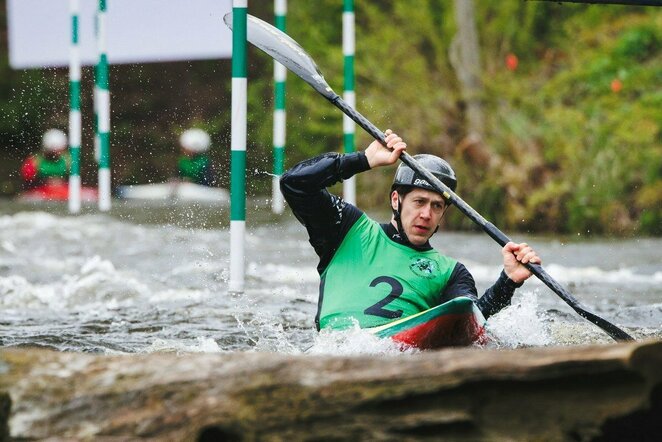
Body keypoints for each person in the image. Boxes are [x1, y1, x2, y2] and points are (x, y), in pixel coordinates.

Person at [280, 130, 541, 331]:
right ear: (396, 200)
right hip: (333, 352)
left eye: (437, 206)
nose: (426, 214)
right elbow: (295, 184)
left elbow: (469, 324)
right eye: (419, 202)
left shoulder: (451, 273)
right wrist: (363, 160)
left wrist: (508, 282)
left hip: (399, 358)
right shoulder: (347, 229)